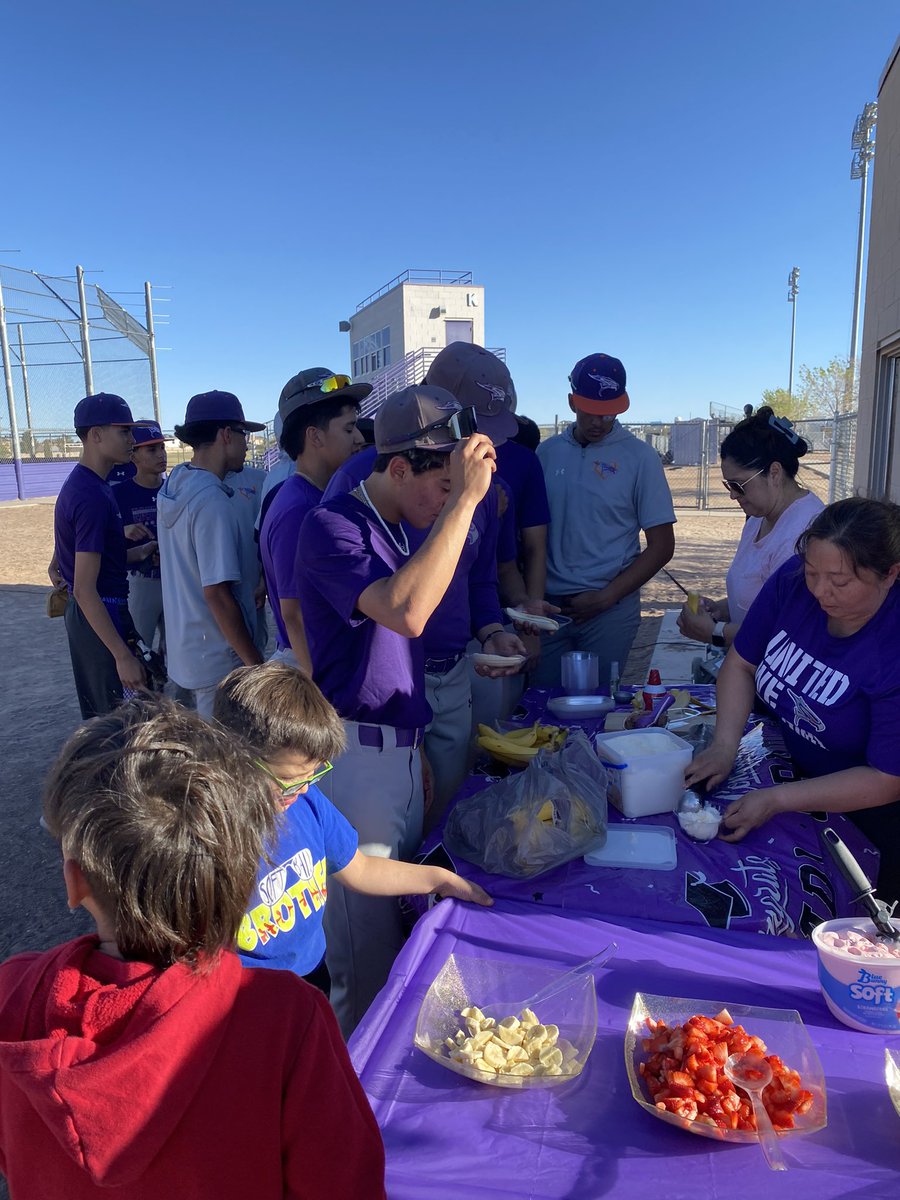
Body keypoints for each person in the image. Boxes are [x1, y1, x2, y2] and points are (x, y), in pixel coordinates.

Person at [0, 697, 386, 1199]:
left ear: (75, 883)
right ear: (246, 868)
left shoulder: (13, 992)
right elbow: (345, 1183)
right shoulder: (285, 1017)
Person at [296, 384, 496, 1035]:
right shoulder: (331, 526)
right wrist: (463, 501)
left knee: (407, 951)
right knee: (367, 968)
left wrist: (414, 751)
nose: (446, 501)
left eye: (452, 490)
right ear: (400, 467)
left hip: (396, 758)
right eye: (440, 485)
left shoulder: (395, 529)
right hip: (354, 766)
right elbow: (406, 614)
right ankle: (349, 1113)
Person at [214, 661, 491, 991]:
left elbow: (359, 869)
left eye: (313, 775)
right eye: (288, 780)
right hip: (245, 993)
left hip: (311, 974)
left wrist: (436, 879)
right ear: (231, 758)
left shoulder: (307, 802)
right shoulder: (214, 836)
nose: (302, 789)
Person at [685, 497, 900, 903]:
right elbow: (741, 663)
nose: (820, 591)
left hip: (877, 819)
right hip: (804, 787)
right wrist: (724, 746)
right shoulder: (793, 581)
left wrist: (779, 799)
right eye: (812, 572)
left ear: (890, 575)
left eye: (840, 581)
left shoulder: (893, 645)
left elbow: (888, 778)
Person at [533, 353, 676, 689]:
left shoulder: (640, 458)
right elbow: (531, 539)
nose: (598, 421)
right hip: (549, 610)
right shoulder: (546, 454)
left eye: (609, 412)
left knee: (597, 708)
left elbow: (662, 545)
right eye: (589, 411)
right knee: (541, 710)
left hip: (610, 613)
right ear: (571, 403)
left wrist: (608, 597)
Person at [156, 391, 266, 717]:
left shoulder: (175, 482)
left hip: (186, 654)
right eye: (244, 434)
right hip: (219, 661)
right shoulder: (211, 500)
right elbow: (217, 594)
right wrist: (255, 666)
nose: (248, 443)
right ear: (225, 435)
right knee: (225, 760)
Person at [677, 407, 823, 649]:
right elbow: (758, 601)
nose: (733, 495)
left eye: (739, 485)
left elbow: (785, 632)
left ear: (774, 473)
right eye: (728, 485)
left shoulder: (804, 534)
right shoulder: (759, 515)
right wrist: (721, 609)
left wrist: (714, 632)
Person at [53, 393, 158, 719]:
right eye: (123, 431)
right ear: (96, 435)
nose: (131, 439)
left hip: (98, 611)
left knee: (122, 716)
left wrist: (139, 551)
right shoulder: (91, 496)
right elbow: (85, 589)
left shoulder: (91, 485)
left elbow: (90, 563)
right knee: (117, 723)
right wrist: (120, 654)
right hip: (100, 612)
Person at [260, 369, 371, 671]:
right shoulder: (299, 508)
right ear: (315, 436)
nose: (360, 439)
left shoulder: (320, 495)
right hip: (313, 662)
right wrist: (325, 695)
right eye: (349, 430)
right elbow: (293, 613)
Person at [114, 421, 167, 651]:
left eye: (162, 448)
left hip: (174, 580)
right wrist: (121, 530)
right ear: (133, 455)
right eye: (151, 449)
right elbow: (100, 541)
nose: (161, 455)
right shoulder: (118, 494)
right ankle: (143, 688)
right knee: (139, 647)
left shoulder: (173, 489)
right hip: (140, 581)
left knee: (178, 649)